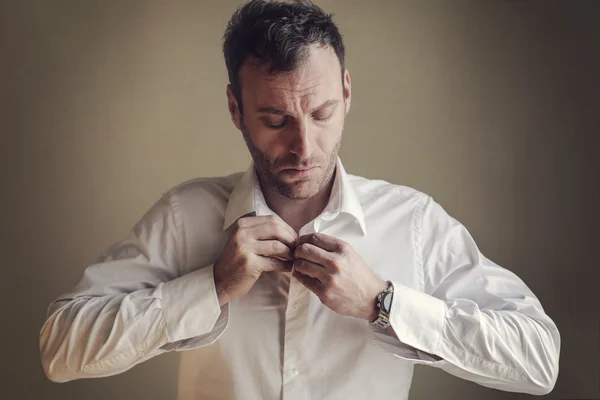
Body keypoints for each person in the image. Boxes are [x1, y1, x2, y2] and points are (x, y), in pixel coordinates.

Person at [39, 0, 560, 399]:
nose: (304, 146)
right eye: (275, 120)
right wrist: (209, 288)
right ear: (235, 108)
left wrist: (384, 303)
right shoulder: (184, 216)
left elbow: (538, 359)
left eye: (322, 112)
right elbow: (60, 349)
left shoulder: (415, 224)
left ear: (348, 94)